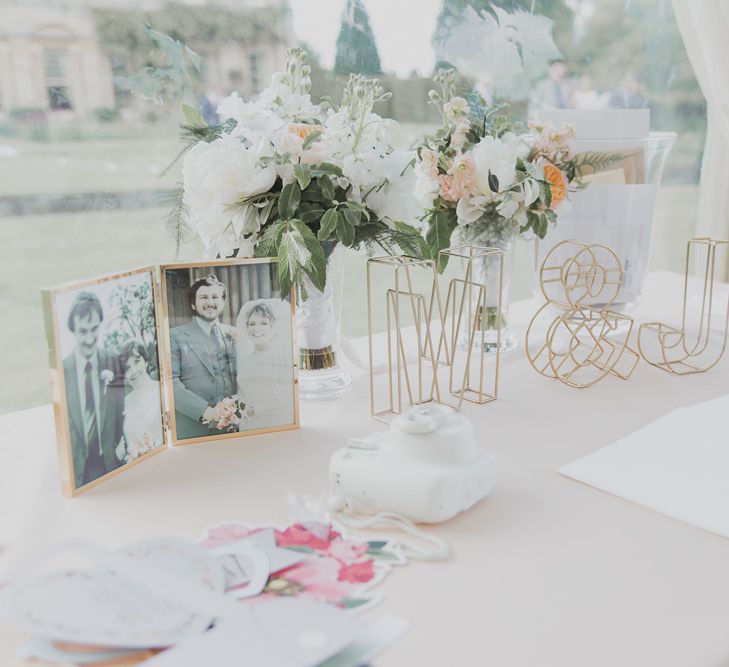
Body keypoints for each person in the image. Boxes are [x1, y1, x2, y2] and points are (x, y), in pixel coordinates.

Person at [62, 292, 124, 488]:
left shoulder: (113, 361)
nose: (90, 339)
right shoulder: (62, 372)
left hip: (112, 466)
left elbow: (122, 411)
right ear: (72, 330)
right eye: (83, 331)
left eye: (94, 329)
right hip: (78, 474)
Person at [169, 275, 237, 440]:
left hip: (231, 428)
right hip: (193, 429)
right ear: (193, 303)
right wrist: (205, 412)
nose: (210, 302)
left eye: (215, 297)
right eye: (203, 297)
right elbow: (171, 383)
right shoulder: (175, 336)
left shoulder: (234, 333)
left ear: (222, 302)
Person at [235, 299, 295, 431]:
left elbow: (286, 396)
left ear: (272, 327)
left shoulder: (282, 357)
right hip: (248, 424)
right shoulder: (244, 360)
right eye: (252, 324)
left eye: (263, 323)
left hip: (273, 423)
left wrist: (253, 410)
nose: (257, 328)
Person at [117, 340, 163, 461]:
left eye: (137, 362)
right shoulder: (124, 403)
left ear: (146, 362)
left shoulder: (162, 390)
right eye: (127, 368)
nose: (133, 372)